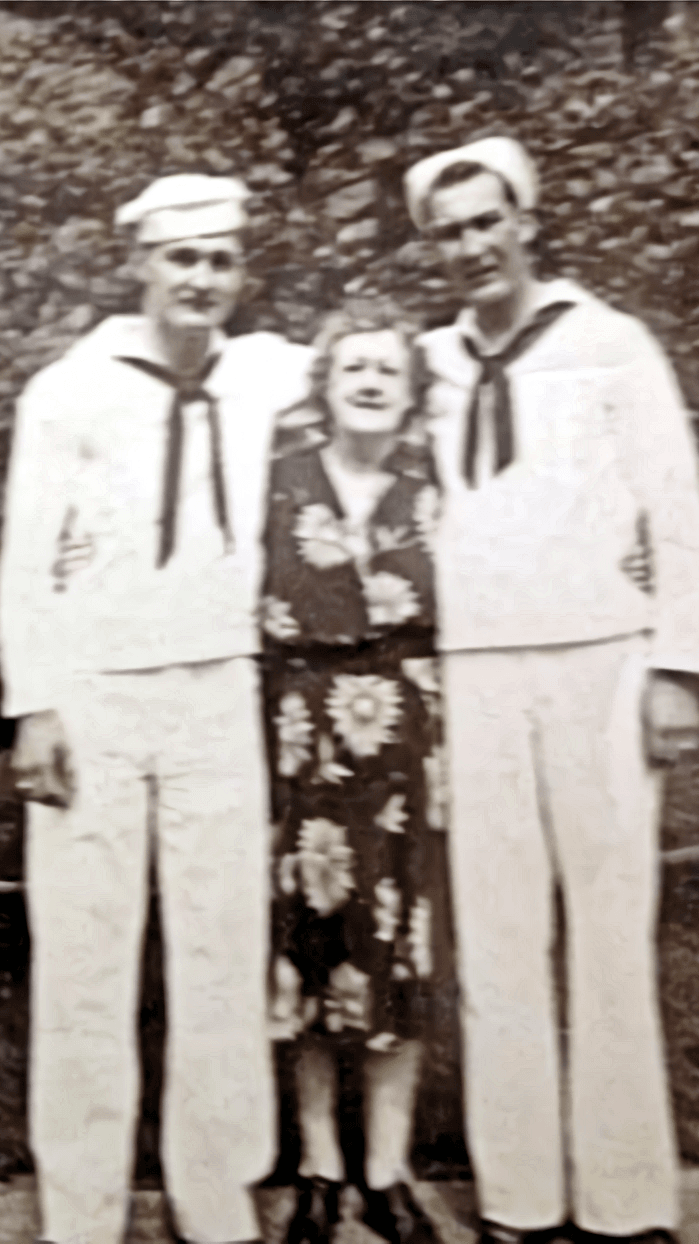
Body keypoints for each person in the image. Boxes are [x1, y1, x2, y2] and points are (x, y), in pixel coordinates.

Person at [0, 174, 312, 1244]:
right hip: (92, 696)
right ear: (140, 262)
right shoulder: (70, 391)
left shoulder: (269, 375)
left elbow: (394, 378)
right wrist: (32, 705)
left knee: (222, 949)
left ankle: (217, 1193)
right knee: (86, 955)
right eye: (182, 258)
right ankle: (81, 1209)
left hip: (219, 689)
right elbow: (24, 562)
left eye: (222, 259)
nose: (202, 279)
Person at [403, 136, 699, 1244]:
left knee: (612, 926)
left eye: (489, 222)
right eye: (450, 232)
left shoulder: (612, 342)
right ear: (431, 249)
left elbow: (678, 505)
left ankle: (627, 1202)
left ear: (525, 220)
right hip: (475, 671)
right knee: (496, 932)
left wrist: (678, 665)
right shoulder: (422, 362)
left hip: (602, 663)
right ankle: (521, 1199)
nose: (473, 245)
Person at [261, 299, 447, 1244]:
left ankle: (387, 1171)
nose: (371, 381)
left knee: (395, 955)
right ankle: (320, 1172)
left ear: (410, 392)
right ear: (326, 387)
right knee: (308, 953)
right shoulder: (281, 484)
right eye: (353, 368)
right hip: (304, 746)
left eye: (388, 368)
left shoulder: (433, 490)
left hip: (408, 751)